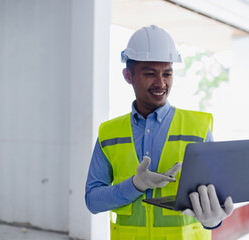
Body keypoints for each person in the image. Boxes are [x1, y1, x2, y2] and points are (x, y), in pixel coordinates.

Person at [85, 25, 233, 240]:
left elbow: (214, 198)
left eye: (167, 73)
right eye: (150, 74)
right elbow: (93, 200)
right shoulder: (109, 133)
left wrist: (213, 220)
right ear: (128, 76)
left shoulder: (198, 128)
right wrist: (135, 185)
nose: (161, 83)